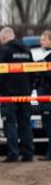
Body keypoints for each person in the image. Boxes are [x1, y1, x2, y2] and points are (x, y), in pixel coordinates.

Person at [0, 26, 35, 162]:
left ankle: (13, 154)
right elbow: (33, 72)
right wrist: (29, 89)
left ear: (4, 37)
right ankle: (28, 153)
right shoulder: (26, 50)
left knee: (10, 124)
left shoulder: (4, 50)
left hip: (8, 95)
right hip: (24, 94)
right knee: (25, 124)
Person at [35, 30, 51, 161]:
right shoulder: (44, 56)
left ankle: (50, 153)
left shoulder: (48, 58)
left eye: (43, 39)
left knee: (49, 126)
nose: (41, 42)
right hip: (43, 97)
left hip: (48, 98)